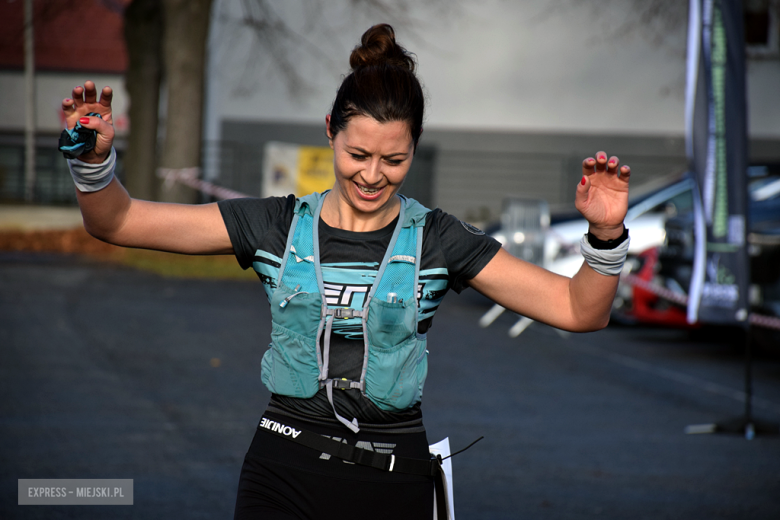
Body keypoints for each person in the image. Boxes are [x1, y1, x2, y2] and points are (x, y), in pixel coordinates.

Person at [62, 23, 631, 520]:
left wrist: (605, 236)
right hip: (281, 468)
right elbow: (121, 223)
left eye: (394, 159)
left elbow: (579, 310)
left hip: (394, 479)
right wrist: (93, 166)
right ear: (331, 129)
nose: (372, 176)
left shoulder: (438, 239)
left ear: (416, 147)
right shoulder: (275, 225)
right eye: (357, 155)